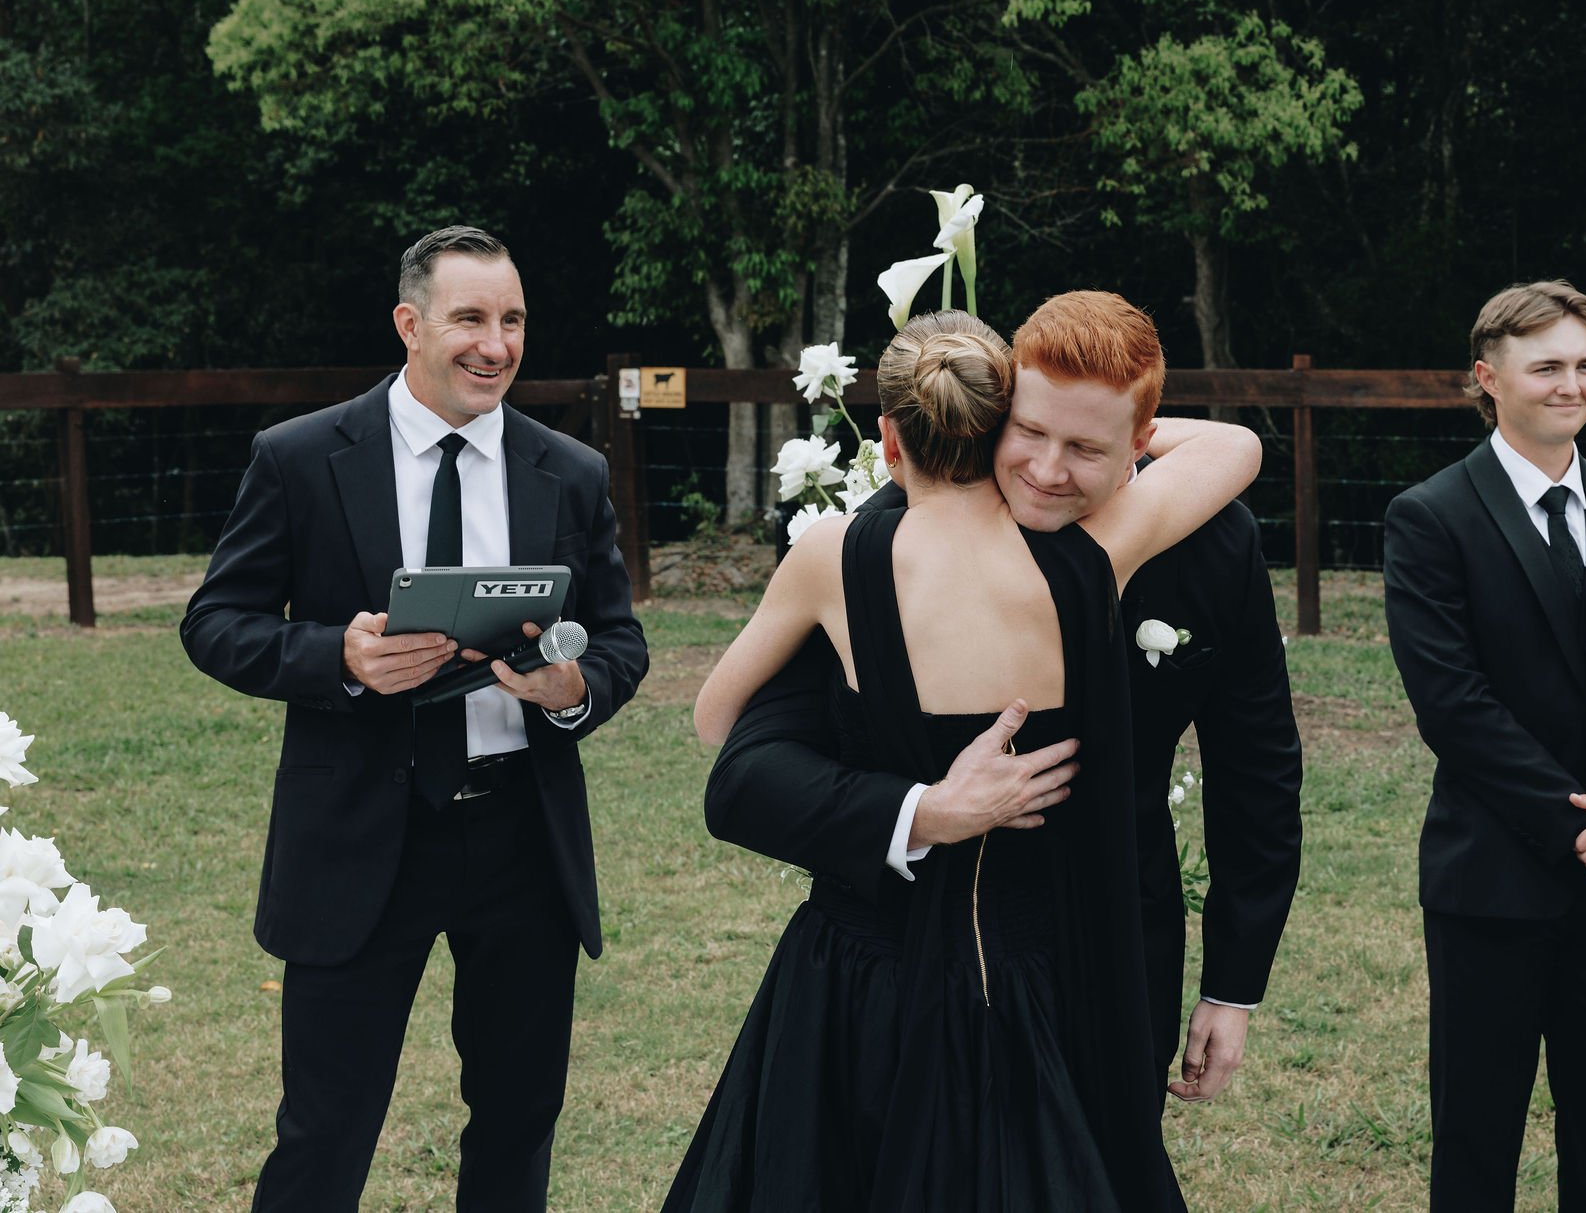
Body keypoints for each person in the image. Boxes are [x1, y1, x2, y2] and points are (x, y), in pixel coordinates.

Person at [668, 308, 1264, 1211]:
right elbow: (1236, 447)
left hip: (859, 973)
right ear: (1000, 429)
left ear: (887, 439)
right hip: (1037, 971)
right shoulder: (1090, 557)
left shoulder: (835, 554)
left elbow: (718, 719)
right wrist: (1112, 431)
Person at [181, 226, 649, 1212]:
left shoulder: (569, 469)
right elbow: (215, 623)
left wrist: (573, 689)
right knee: (325, 1129)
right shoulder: (302, 456)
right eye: (469, 318)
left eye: (513, 320)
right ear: (409, 324)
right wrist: (337, 657)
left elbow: (619, 641)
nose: (495, 344)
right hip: (358, 833)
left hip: (521, 837)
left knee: (520, 1119)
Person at [1381, 280, 1586, 1212]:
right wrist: (1576, 823)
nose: (1572, 384)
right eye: (1548, 366)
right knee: (1477, 1133)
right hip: (1493, 879)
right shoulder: (1431, 514)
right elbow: (1454, 705)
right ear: (1488, 377)